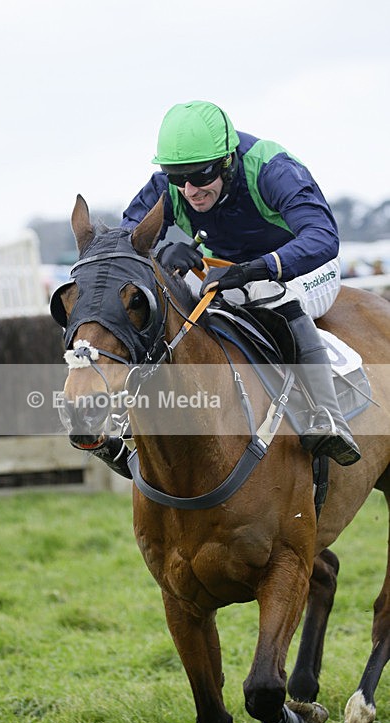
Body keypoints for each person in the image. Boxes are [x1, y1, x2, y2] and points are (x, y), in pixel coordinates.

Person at [106, 99, 359, 473]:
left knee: (271, 293)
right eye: (178, 177)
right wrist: (160, 254)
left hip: (304, 267)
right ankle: (120, 423)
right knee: (156, 299)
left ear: (227, 161)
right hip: (226, 270)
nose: (189, 189)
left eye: (201, 175)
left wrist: (259, 267)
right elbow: (124, 245)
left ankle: (328, 414)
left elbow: (322, 237)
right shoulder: (170, 185)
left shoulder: (272, 170)